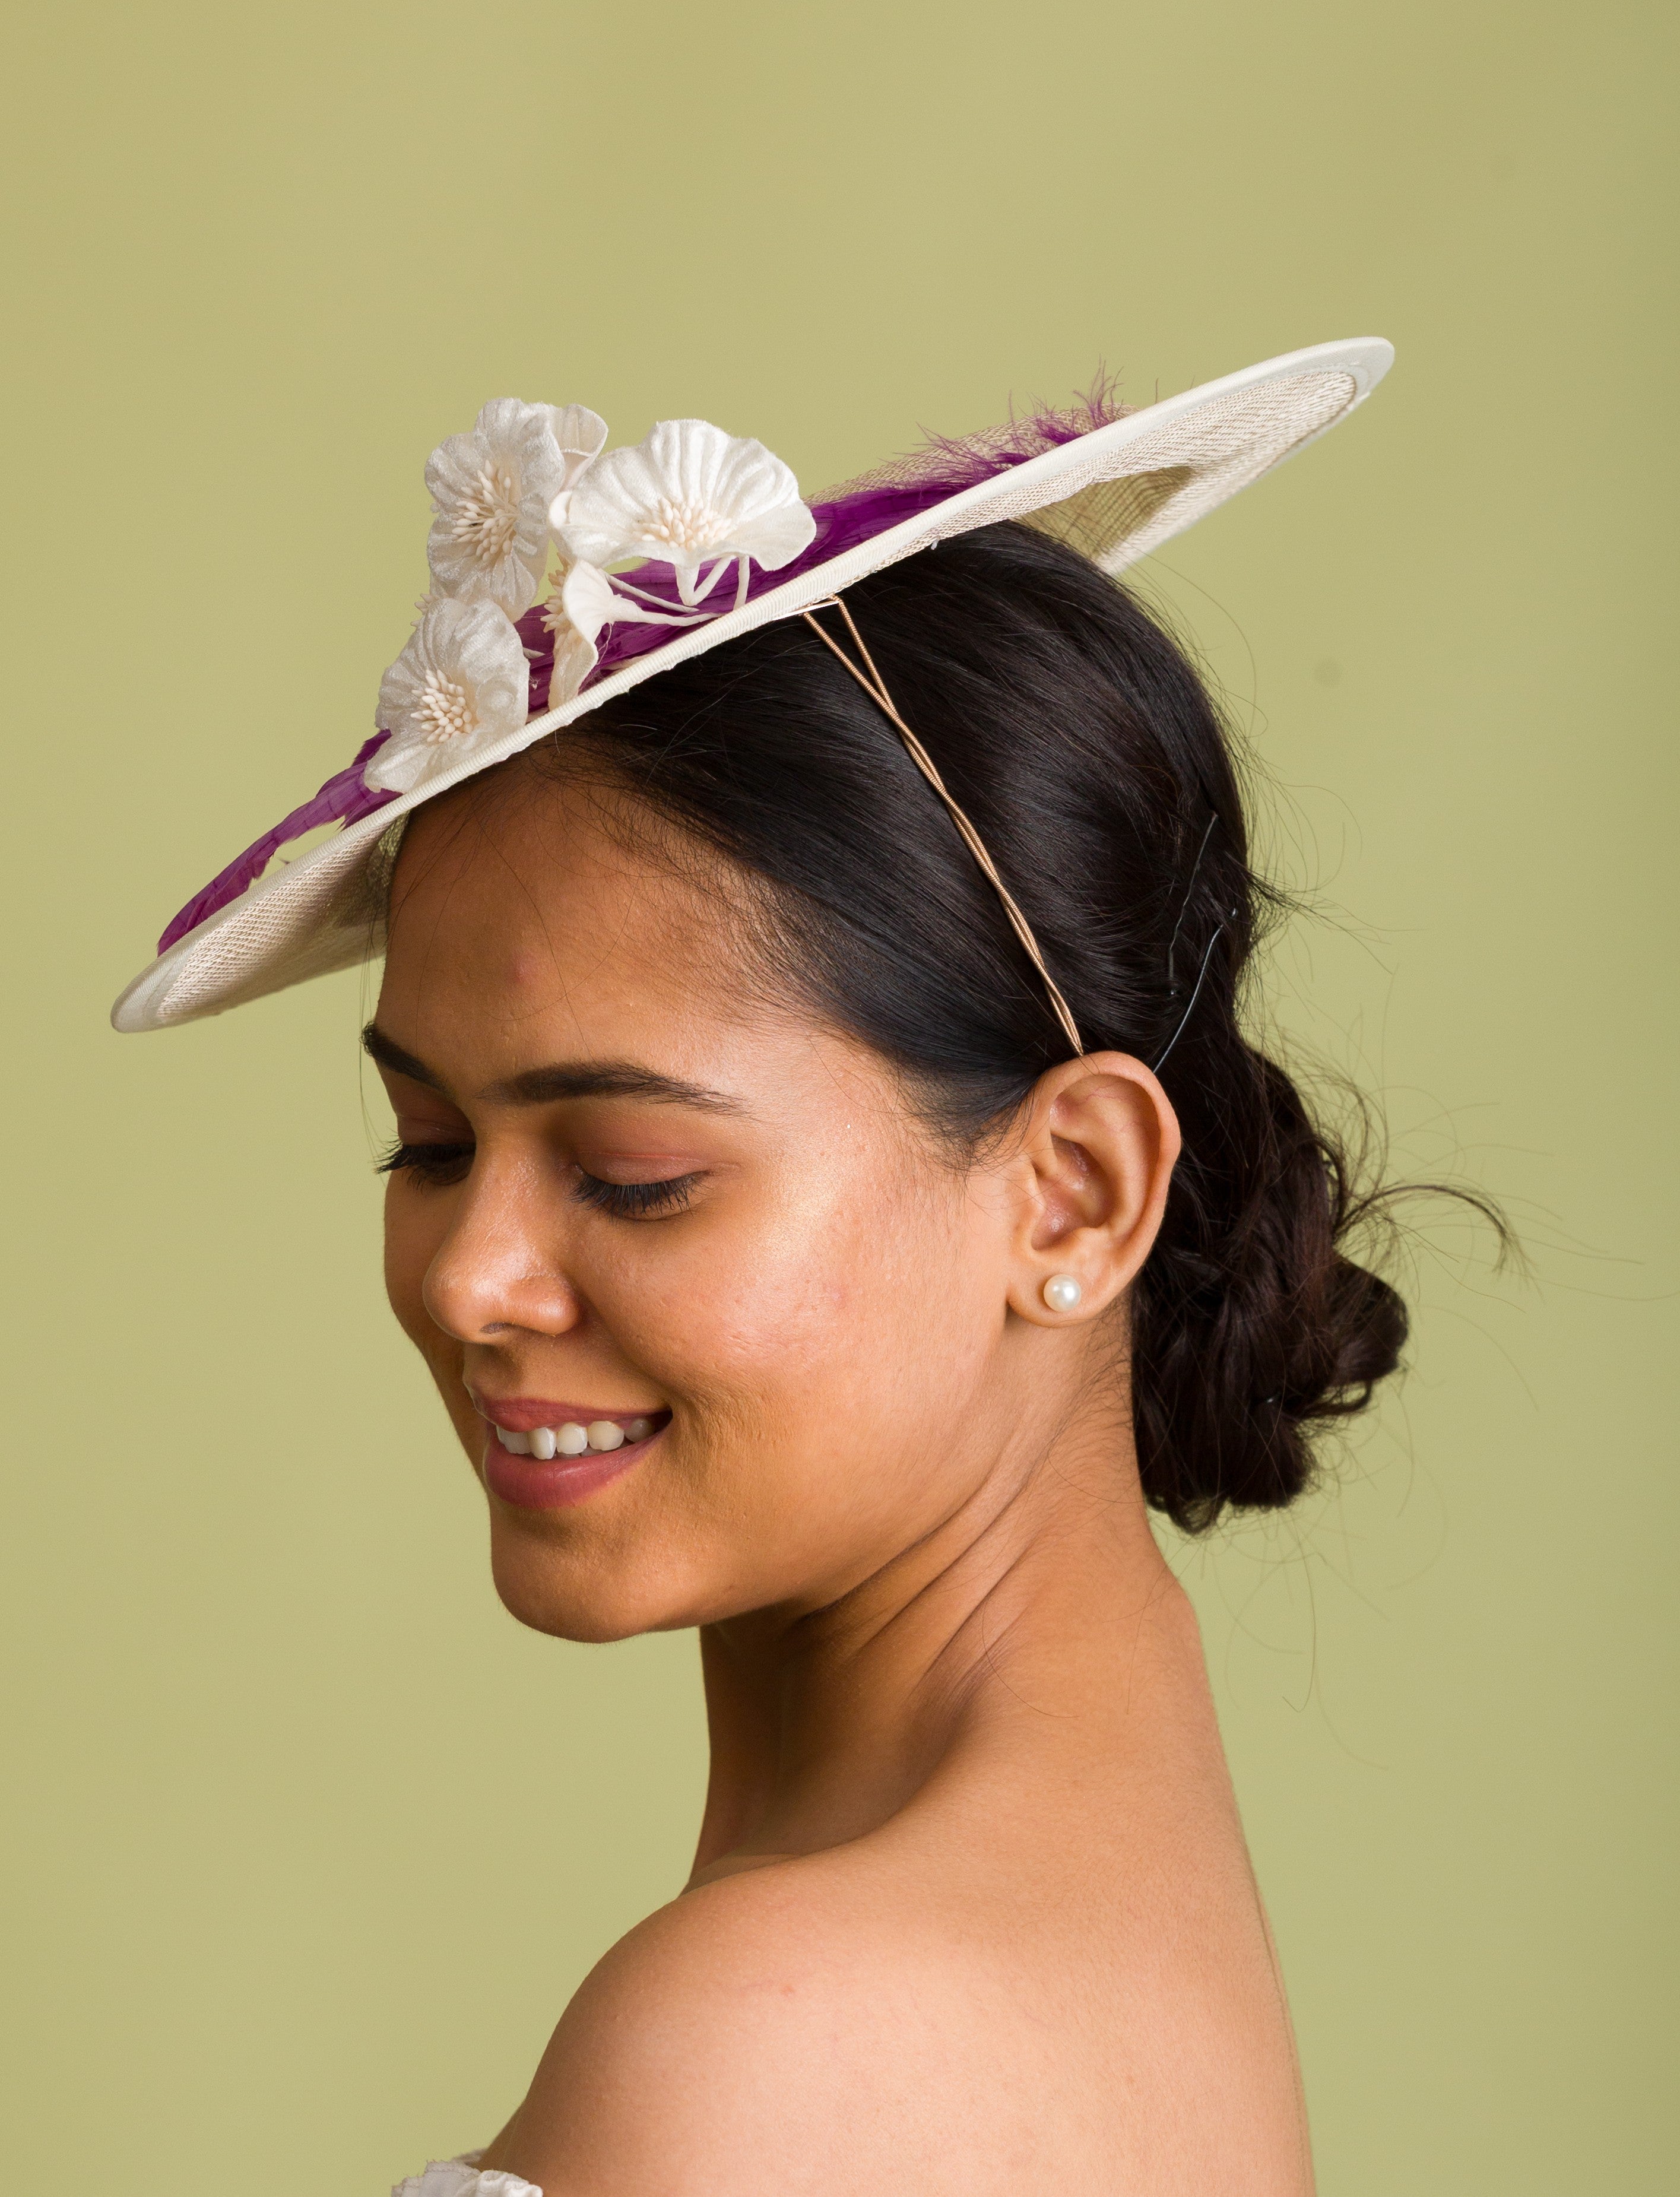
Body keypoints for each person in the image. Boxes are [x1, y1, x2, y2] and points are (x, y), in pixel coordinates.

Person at [114, 341, 1412, 2194]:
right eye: (431, 1143)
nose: (471, 1278)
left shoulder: (774, 2037)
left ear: (1070, 1195)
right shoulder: (1114, 1922)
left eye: (634, 1176)